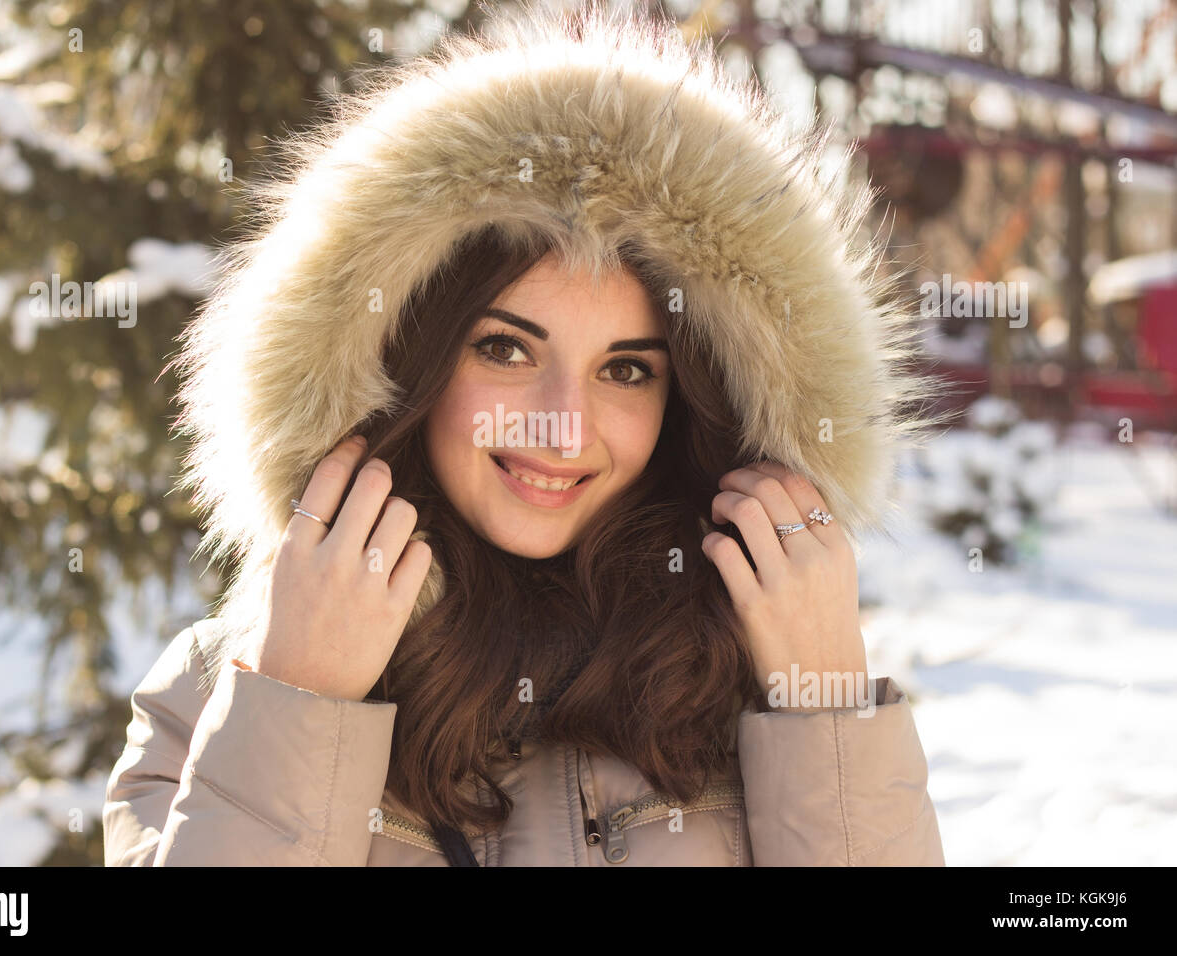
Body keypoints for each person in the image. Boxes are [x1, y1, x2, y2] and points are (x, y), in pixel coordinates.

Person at [103, 1, 949, 866]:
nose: (563, 423)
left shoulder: (757, 677)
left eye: (627, 369)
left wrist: (826, 708)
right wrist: (300, 698)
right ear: (401, 364)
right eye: (504, 349)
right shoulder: (222, 690)